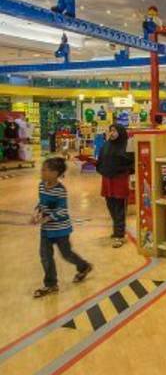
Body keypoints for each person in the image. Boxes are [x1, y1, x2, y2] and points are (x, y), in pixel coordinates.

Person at [31, 157, 92, 298]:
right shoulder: (41, 186)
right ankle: (51, 284)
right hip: (46, 230)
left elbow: (62, 210)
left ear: (55, 173)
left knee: (66, 254)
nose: (41, 172)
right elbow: (42, 203)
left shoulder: (60, 190)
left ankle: (84, 266)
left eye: (45, 170)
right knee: (45, 257)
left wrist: (47, 218)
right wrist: (36, 212)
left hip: (61, 230)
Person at [96, 124, 134, 248]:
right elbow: (100, 159)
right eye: (110, 130)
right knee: (110, 206)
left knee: (119, 208)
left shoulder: (127, 145)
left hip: (120, 181)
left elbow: (132, 163)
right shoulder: (107, 145)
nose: (111, 133)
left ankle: (120, 235)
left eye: (114, 131)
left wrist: (122, 169)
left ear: (120, 132)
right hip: (107, 180)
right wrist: (101, 168)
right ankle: (116, 231)